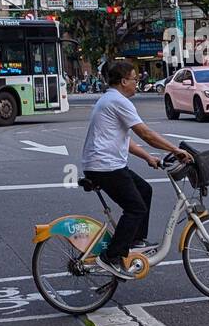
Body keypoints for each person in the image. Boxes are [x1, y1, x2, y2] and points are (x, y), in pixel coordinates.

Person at [82, 58, 191, 281]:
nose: (137, 82)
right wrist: (176, 150)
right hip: (105, 167)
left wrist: (148, 157)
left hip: (103, 165)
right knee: (135, 208)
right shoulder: (119, 101)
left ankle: (135, 242)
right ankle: (111, 256)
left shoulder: (110, 99)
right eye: (134, 79)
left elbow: (124, 140)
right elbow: (146, 134)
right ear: (123, 81)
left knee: (145, 191)